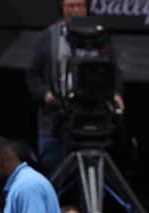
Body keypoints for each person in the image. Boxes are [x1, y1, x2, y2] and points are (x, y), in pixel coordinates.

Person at [25, 0, 125, 176]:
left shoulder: (102, 39)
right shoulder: (46, 38)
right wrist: (46, 95)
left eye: (80, 6)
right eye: (70, 6)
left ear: (87, 9)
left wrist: (116, 94)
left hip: (93, 118)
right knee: (52, 176)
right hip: (55, 122)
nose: (75, 10)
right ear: (61, 9)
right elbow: (33, 75)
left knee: (91, 175)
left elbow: (114, 71)